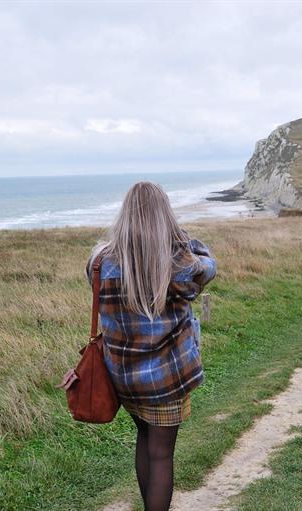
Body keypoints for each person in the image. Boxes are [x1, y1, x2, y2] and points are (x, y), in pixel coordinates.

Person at [85, 181, 216, 511]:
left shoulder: (99, 262)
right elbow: (208, 266)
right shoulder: (179, 264)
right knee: (161, 456)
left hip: (124, 377)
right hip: (165, 380)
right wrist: (181, 238)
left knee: (144, 440)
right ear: (165, 217)